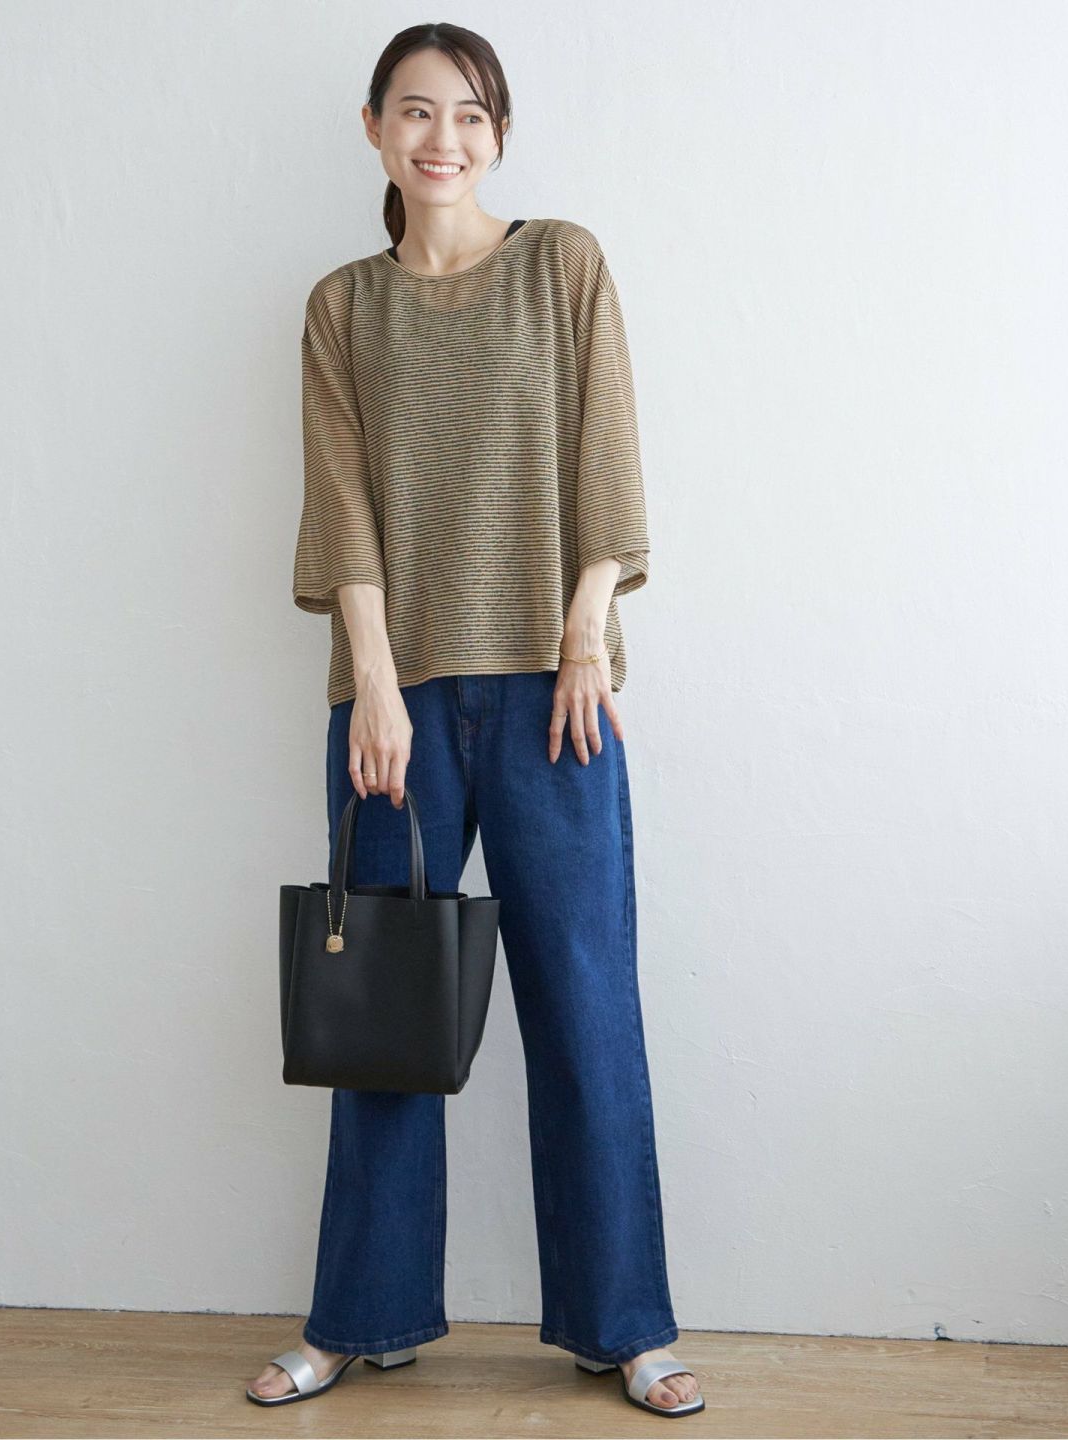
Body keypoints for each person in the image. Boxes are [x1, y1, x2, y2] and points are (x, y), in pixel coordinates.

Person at [247, 22, 704, 1420]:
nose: (441, 138)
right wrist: (376, 682)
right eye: (415, 112)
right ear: (374, 130)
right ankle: (361, 1316)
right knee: (384, 1013)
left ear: (498, 133)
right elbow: (341, 505)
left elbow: (606, 457)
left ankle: (626, 1326)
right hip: (395, 701)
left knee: (586, 1003)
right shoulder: (344, 307)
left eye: (468, 114)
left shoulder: (561, 265)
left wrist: (583, 640)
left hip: (557, 698)